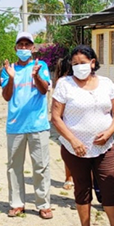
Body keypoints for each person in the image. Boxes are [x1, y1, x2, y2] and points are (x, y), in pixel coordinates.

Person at [51, 45, 114, 226]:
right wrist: (73, 141)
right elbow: (56, 116)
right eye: (74, 64)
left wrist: (109, 133)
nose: (79, 67)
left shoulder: (106, 83)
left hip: (104, 147)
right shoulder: (65, 84)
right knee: (82, 188)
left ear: (92, 63)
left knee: (110, 187)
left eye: (83, 63)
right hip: (75, 149)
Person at [0, 32, 53, 219]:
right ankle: (16, 203)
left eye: (27, 45)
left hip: (38, 125)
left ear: (33, 48)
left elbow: (44, 89)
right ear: (15, 48)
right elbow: (6, 96)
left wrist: (36, 76)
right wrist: (12, 78)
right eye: (20, 45)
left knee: (41, 166)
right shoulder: (8, 69)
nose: (23, 48)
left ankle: (43, 204)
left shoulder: (41, 66)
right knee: (14, 167)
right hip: (15, 126)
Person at [53, 58, 75, 190]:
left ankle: (70, 177)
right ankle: (69, 177)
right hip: (66, 120)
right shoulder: (63, 83)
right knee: (68, 149)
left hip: (70, 119)